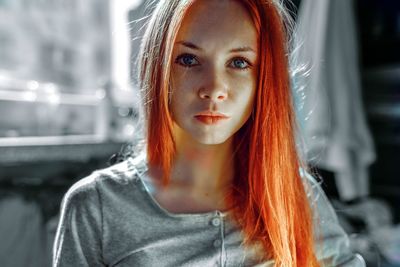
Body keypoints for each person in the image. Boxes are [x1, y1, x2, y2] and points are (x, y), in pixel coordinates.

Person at [53, 0, 366, 266]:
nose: (215, 88)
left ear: (264, 82)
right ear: (156, 68)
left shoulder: (296, 193)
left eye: (239, 62)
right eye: (189, 60)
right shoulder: (97, 206)